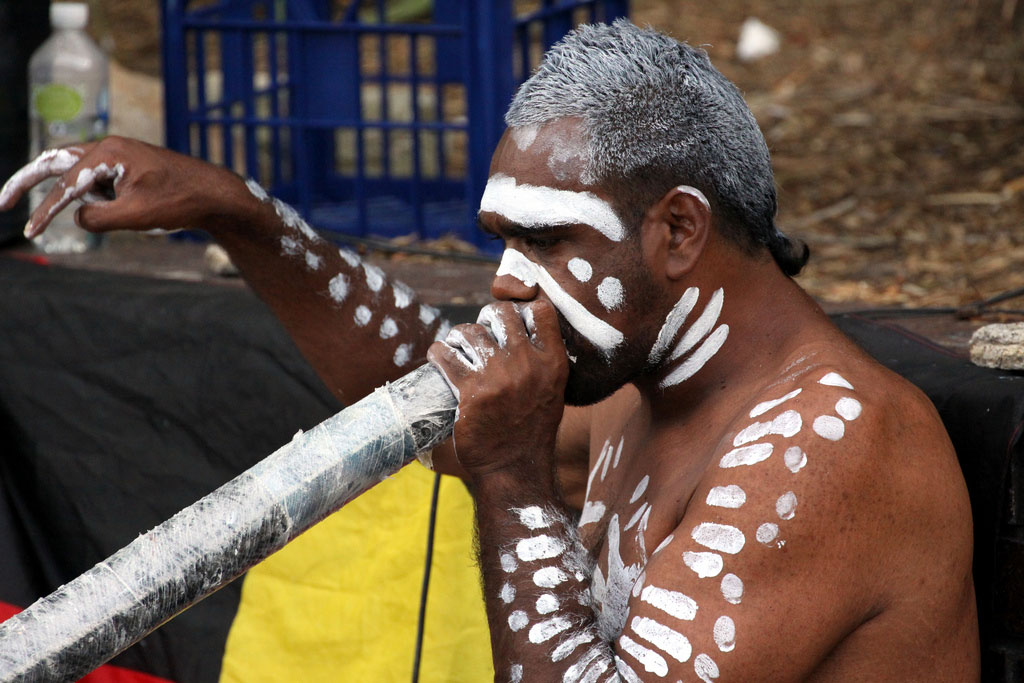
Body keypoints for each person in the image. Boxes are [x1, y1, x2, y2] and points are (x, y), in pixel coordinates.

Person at [1, 18, 978, 681]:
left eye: (550, 241)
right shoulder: (644, 372)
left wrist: (510, 479)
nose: (509, 278)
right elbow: (423, 381)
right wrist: (238, 211)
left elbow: (495, 444)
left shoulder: (829, 446)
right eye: (503, 241)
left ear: (679, 231)